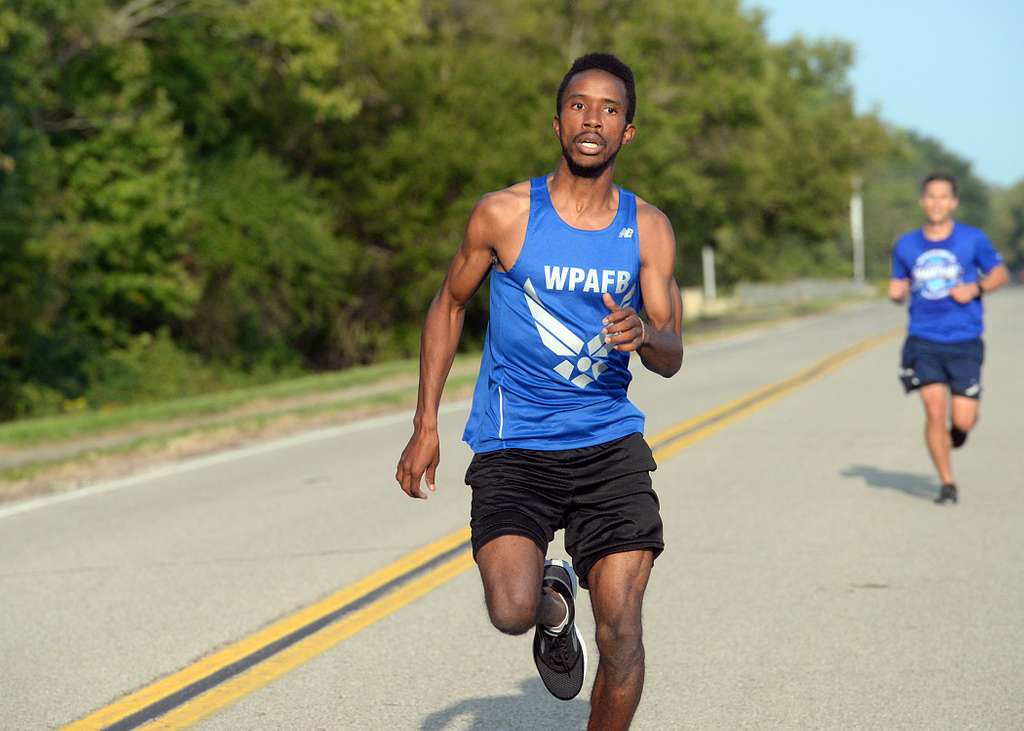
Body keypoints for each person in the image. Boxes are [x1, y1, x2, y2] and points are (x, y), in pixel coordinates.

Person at [395, 52, 683, 729]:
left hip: (608, 441)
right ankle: (552, 604)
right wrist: (426, 422)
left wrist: (642, 333)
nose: (594, 119)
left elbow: (671, 352)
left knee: (622, 632)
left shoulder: (648, 229)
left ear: (627, 132)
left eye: (610, 109)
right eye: (580, 105)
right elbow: (447, 303)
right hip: (514, 440)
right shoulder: (504, 214)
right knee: (510, 609)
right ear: (558, 123)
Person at [889, 172, 1008, 504]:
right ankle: (947, 482)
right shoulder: (907, 244)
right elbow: (898, 283)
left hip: (965, 338)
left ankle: (959, 432)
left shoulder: (972, 240)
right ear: (922, 201)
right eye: (931, 196)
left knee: (963, 418)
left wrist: (976, 287)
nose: (936, 202)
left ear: (953, 202)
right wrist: (897, 293)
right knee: (933, 409)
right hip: (923, 338)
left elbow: (1000, 273)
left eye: (944, 197)